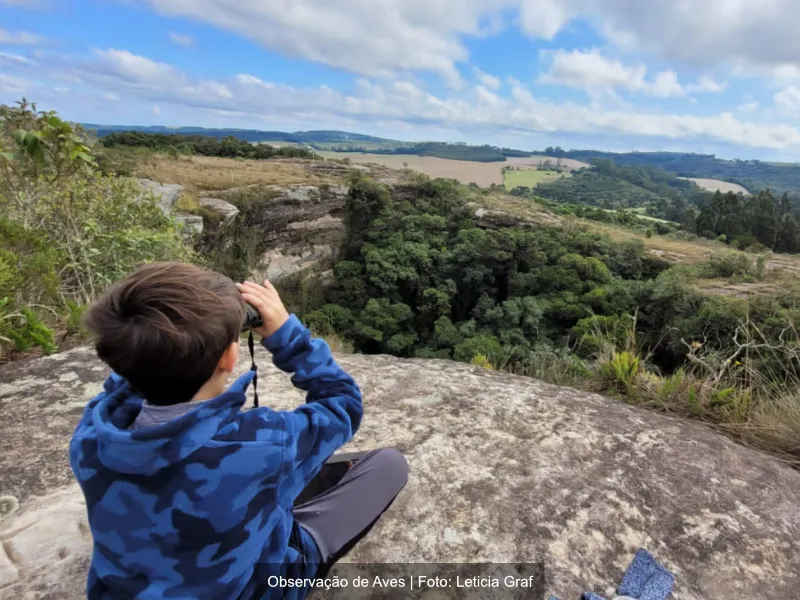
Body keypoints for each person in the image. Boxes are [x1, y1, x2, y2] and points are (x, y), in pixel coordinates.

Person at [69, 262, 408, 600]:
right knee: (389, 464)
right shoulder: (260, 445)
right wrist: (287, 335)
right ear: (229, 358)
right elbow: (343, 403)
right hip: (251, 590)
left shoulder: (91, 437)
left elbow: (127, 378)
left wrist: (183, 334)